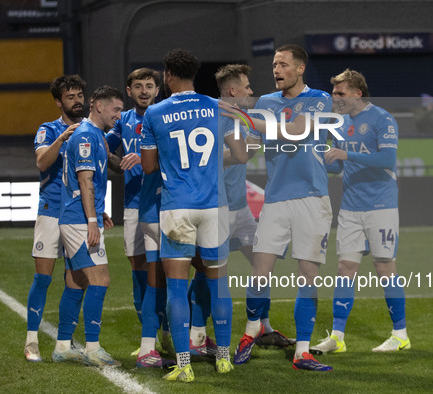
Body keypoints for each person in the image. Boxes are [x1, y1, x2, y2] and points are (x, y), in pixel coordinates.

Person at [140, 49, 247, 382]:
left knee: (175, 288)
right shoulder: (218, 107)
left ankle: (184, 364)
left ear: (169, 75)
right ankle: (225, 359)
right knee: (219, 286)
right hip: (215, 206)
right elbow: (241, 154)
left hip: (177, 208)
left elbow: (148, 166)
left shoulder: (154, 112)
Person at [230, 44, 333, 372]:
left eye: (283, 64)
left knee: (307, 274)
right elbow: (250, 146)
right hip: (275, 199)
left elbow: (296, 131)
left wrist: (245, 117)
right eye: (274, 64)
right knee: (260, 271)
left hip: (312, 199)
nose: (276, 70)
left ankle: (302, 351)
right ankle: (251, 333)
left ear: (300, 69)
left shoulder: (319, 99)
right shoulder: (264, 103)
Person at [186, 64, 295, 352]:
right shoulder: (211, 116)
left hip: (241, 209)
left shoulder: (240, 118)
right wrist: (243, 152)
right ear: (233, 91)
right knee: (206, 272)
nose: (251, 91)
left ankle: (263, 327)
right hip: (215, 209)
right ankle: (196, 335)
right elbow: (229, 156)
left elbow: (245, 152)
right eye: (246, 86)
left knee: (263, 262)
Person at [310, 69, 409, 354]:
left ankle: (400, 334)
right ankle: (338, 337)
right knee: (345, 268)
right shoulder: (339, 124)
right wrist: (315, 157)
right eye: (333, 93)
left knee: (384, 268)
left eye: (340, 93)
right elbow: (337, 165)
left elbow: (387, 159)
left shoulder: (382, 118)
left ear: (357, 93)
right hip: (351, 208)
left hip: (381, 207)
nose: (335, 98)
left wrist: (346, 154)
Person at [105, 67, 173, 366]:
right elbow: (100, 149)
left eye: (149, 85)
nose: (144, 90)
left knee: (169, 270)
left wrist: (148, 159)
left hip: (165, 203)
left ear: (158, 90)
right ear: (129, 91)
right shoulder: (123, 121)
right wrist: (118, 161)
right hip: (134, 204)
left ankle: (169, 330)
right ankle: (151, 335)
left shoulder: (165, 117)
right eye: (138, 86)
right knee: (138, 270)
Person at [55, 85, 124, 367]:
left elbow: (87, 181)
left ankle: (62, 346)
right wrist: (92, 220)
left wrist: (98, 210)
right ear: (98, 106)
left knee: (77, 280)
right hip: (78, 222)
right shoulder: (86, 135)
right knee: (100, 279)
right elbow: (84, 180)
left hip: (78, 217)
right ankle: (93, 348)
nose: (119, 115)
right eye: (116, 109)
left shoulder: (95, 135)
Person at [24, 74, 85, 362]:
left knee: (76, 279)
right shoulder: (47, 130)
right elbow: (41, 162)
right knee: (43, 278)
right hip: (50, 210)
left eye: (80, 96)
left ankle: (65, 340)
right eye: (70, 97)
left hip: (78, 214)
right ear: (58, 101)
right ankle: (31, 341)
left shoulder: (88, 131)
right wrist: (62, 137)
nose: (77, 101)